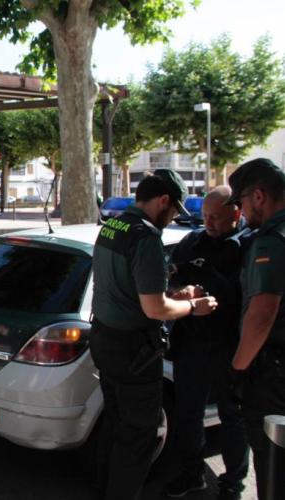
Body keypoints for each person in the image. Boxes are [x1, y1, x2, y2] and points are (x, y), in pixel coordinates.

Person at [89, 168, 218, 500]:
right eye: (174, 209)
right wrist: (193, 306)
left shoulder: (113, 226)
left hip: (104, 339)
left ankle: (104, 491)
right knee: (138, 438)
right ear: (163, 201)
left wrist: (171, 295)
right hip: (133, 352)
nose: (174, 216)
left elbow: (129, 289)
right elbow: (155, 309)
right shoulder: (145, 238)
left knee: (115, 425)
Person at [164, 186, 250, 500]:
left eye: (216, 217)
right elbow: (170, 275)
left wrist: (205, 288)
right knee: (188, 413)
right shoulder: (192, 241)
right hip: (192, 343)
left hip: (230, 346)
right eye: (205, 216)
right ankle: (192, 473)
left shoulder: (249, 245)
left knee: (233, 418)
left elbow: (248, 295)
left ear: (236, 213)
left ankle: (233, 484)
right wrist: (180, 291)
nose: (209, 222)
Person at [225, 158, 285, 500]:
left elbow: (262, 313)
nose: (241, 212)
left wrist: (238, 370)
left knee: (273, 466)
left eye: (241, 202)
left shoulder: (271, 241)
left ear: (259, 196)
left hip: (273, 376)